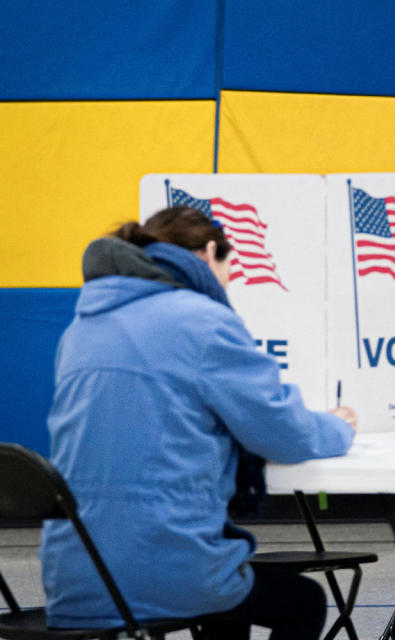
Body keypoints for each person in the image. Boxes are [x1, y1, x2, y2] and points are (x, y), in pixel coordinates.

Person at [40, 206, 359, 640]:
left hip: (74, 575)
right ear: (210, 252)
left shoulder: (80, 329)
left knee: (226, 597)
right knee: (302, 602)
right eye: (231, 268)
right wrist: (339, 426)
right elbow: (284, 434)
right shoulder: (202, 320)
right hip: (162, 570)